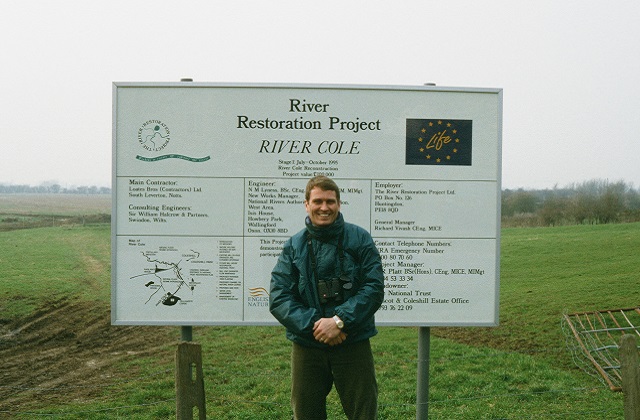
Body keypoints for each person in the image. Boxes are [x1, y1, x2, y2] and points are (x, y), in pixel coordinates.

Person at [269, 175, 385, 419]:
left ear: (339, 204)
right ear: (306, 204)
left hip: (352, 341)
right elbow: (279, 296)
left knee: (363, 412)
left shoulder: (360, 239)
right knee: (306, 413)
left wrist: (339, 321)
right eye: (318, 201)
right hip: (308, 344)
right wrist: (318, 326)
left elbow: (373, 288)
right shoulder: (294, 246)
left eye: (330, 201)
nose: (324, 207)